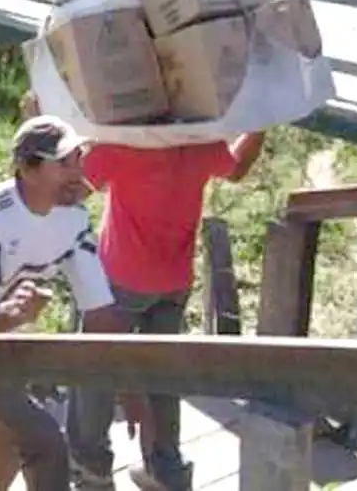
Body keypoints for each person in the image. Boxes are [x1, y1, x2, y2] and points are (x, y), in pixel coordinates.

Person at [0, 116, 136, 491]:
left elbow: (99, 311)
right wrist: (13, 314)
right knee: (45, 439)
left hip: (4, 343)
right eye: (63, 163)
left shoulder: (74, 219)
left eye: (79, 159)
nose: (77, 173)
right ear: (27, 169)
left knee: (8, 439)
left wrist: (130, 379)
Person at [67, 125, 266, 491]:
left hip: (121, 279)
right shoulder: (198, 141)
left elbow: (72, 187)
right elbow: (237, 168)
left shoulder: (124, 141)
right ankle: (166, 470)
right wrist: (260, 123)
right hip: (173, 281)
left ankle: (92, 472)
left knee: (93, 369)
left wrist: (46, 124)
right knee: (162, 376)